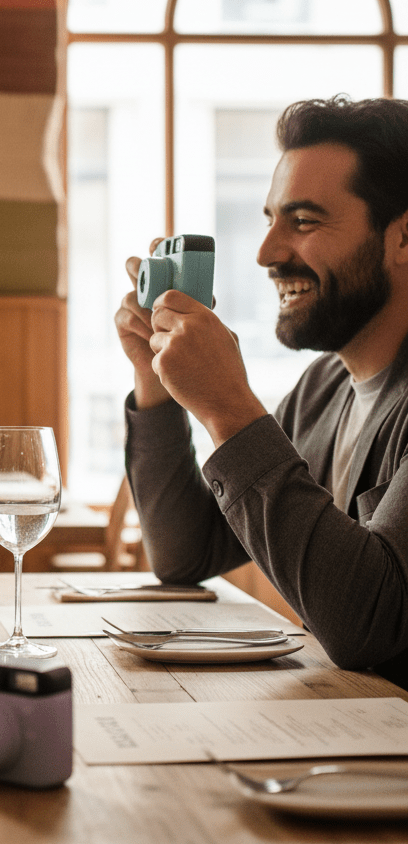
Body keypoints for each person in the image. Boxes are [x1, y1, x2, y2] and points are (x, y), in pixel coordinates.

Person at [116, 95, 408, 688]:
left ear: (402, 239)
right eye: (271, 219)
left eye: (302, 222)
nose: (267, 253)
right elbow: (185, 552)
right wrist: (156, 384)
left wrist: (228, 408)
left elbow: (368, 624)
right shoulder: (325, 389)